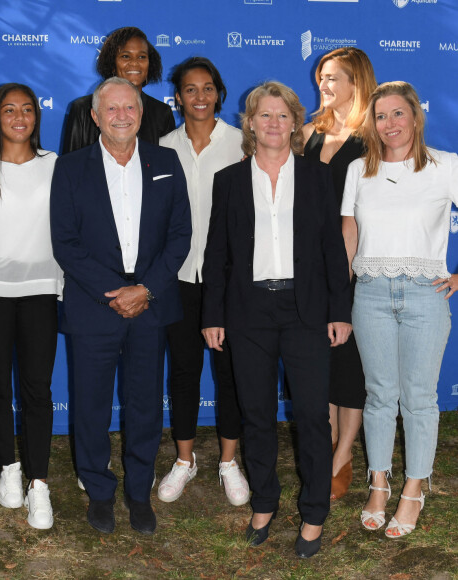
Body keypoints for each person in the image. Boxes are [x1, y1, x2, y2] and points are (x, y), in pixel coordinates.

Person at [202, 81, 352, 558]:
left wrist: (339, 312)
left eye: (282, 116)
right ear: (250, 123)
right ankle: (264, 502)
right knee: (257, 414)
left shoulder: (317, 177)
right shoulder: (228, 180)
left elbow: (333, 249)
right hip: (249, 314)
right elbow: (217, 254)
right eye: (264, 116)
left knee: (311, 414)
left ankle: (313, 513)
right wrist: (213, 315)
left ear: (294, 122)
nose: (273, 124)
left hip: (306, 311)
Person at [50, 77, 191, 536]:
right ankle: (100, 491)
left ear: (141, 112)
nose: (122, 116)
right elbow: (66, 244)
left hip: (150, 305)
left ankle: (138, 492)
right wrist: (116, 292)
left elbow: (180, 236)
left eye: (129, 107)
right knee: (90, 405)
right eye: (111, 109)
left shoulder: (166, 162)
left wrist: (145, 289)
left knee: (145, 404)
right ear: (95, 117)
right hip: (96, 306)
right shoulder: (70, 169)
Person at [342, 81, 457, 538]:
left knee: (419, 399)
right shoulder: (357, 171)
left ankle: (414, 489)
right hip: (369, 293)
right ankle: (378, 484)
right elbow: (348, 235)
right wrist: (341, 293)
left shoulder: (445, 166)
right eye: (381, 116)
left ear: (415, 117)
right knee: (379, 395)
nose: (390, 124)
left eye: (398, 114)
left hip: (425, 294)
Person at [0, 83, 63, 530]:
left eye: (27, 109)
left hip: (41, 288)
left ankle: (39, 484)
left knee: (38, 388)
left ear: (36, 116)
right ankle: (8, 466)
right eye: (9, 110)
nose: (20, 117)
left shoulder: (54, 165)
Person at [157, 57, 248, 506]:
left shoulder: (241, 143)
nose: (199, 97)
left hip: (230, 281)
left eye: (208, 88)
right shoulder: (161, 146)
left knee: (230, 372)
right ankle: (185, 459)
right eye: (190, 89)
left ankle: (229, 461)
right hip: (177, 279)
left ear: (218, 93)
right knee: (184, 371)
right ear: (177, 97)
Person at [302, 47, 377, 500]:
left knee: (349, 365)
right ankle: (327, 443)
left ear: (357, 82)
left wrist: (345, 275)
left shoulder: (373, 139)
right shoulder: (311, 131)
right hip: (307, 267)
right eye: (322, 78)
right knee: (320, 362)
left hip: (354, 264)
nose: (324, 86)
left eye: (333, 78)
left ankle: (343, 455)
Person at [62, 26, 175, 153]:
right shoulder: (82, 109)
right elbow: (69, 167)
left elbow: (167, 166)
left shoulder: (162, 113)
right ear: (112, 64)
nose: (134, 63)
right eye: (126, 56)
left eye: (142, 57)